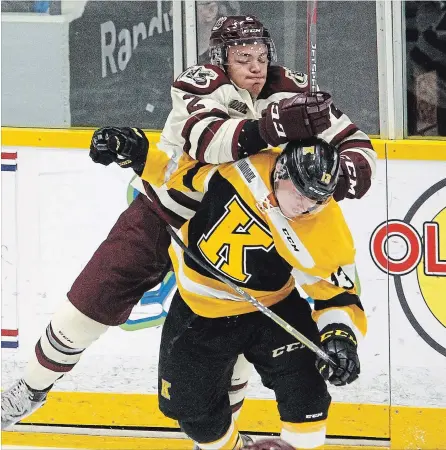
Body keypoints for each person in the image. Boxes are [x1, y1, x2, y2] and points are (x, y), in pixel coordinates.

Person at [1, 15, 375, 430]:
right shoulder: (198, 82)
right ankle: (31, 390)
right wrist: (278, 125)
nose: (255, 67)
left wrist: (334, 173)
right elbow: (206, 139)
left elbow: (359, 148)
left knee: (232, 331)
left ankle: (223, 434)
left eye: (262, 57)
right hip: (167, 208)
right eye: (243, 57)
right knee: (91, 299)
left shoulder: (294, 90)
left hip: (243, 219)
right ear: (220, 58)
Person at [158, 137, 366, 450]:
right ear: (281, 173)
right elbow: (179, 170)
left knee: (307, 396)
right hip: (200, 310)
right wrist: (134, 152)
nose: (305, 206)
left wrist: (339, 337)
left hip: (271, 309)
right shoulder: (241, 167)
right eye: (299, 193)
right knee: (193, 412)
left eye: (317, 199)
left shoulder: (326, 229)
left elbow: (338, 296)